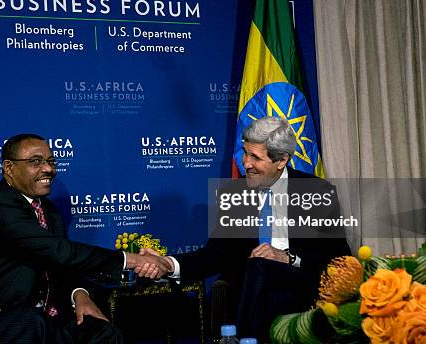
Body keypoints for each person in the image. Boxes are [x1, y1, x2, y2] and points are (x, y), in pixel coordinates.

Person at [142, 117, 351, 340]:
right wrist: (167, 264)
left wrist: (288, 257)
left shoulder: (317, 192)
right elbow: (214, 254)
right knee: (259, 267)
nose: (246, 163)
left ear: (281, 160)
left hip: (302, 291)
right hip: (253, 291)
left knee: (265, 268)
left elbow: (340, 258)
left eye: (255, 157)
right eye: (245, 153)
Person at [0, 133, 169, 343]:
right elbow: (60, 251)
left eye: (50, 161)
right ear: (9, 168)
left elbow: (64, 265)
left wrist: (80, 295)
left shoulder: (49, 210)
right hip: (11, 323)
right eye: (35, 161)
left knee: (105, 333)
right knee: (35, 323)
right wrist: (134, 259)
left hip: (53, 319)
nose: (48, 169)